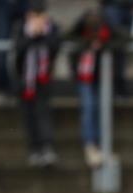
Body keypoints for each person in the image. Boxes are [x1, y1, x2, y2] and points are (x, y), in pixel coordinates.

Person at [68, 6, 125, 168]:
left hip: (103, 78)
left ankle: (102, 144)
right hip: (85, 78)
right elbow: (67, 37)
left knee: (102, 108)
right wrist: (86, 41)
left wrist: (105, 44)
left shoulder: (108, 33)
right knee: (89, 107)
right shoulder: (80, 34)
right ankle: (90, 145)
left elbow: (125, 38)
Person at [14, 0, 60, 167]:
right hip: (25, 80)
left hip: (44, 80)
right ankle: (34, 149)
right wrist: (31, 36)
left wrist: (41, 35)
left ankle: (46, 147)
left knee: (43, 112)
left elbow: (54, 47)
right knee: (29, 115)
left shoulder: (52, 28)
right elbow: (18, 49)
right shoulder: (21, 28)